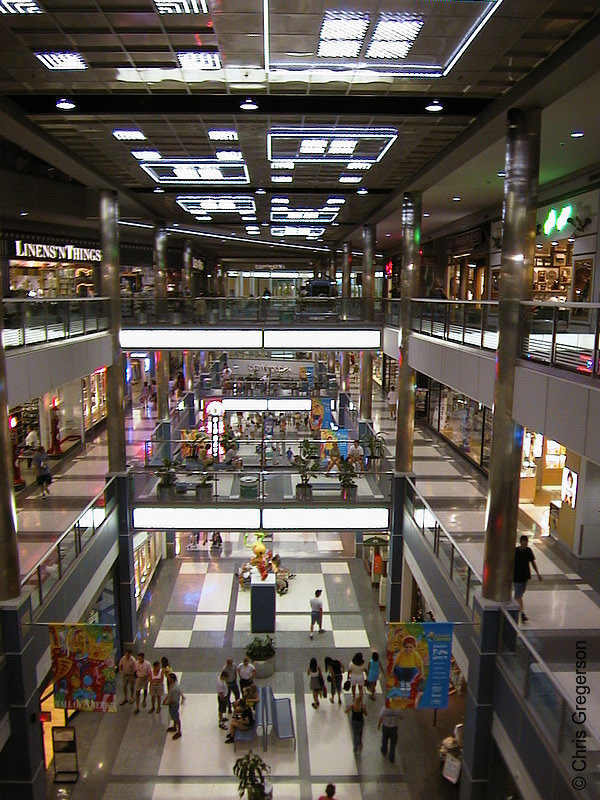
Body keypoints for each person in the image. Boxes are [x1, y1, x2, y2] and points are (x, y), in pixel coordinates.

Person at [513, 535, 542, 623]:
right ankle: (522, 613)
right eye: (523, 543)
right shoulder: (515, 551)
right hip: (516, 577)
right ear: (520, 542)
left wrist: (538, 573)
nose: (525, 545)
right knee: (519, 596)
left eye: (526, 544)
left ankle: (515, 604)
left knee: (521, 594)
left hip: (525, 576)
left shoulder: (528, 551)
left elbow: (532, 562)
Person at [163, 672, 182, 739]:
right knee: (173, 716)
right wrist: (166, 698)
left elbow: (174, 700)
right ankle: (174, 727)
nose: (167, 679)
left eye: (169, 678)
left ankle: (179, 731)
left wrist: (167, 703)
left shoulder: (175, 688)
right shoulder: (172, 685)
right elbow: (170, 693)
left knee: (176, 717)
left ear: (172, 679)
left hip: (174, 705)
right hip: (171, 704)